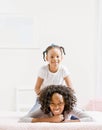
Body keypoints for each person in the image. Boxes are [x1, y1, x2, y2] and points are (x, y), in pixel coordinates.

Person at [29, 44, 74, 112]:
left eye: (57, 56)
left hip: (59, 99)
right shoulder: (43, 70)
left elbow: (71, 88)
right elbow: (37, 88)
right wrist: (47, 99)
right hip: (44, 99)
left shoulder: (63, 70)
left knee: (74, 113)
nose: (55, 59)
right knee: (33, 114)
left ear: (61, 58)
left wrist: (64, 100)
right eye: (52, 57)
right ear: (47, 58)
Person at [19, 85, 94, 123]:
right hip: (47, 116)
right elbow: (22, 119)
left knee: (78, 113)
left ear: (65, 102)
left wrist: (67, 122)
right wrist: (50, 120)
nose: (56, 107)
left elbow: (90, 119)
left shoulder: (69, 108)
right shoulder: (44, 109)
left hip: (69, 117)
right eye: (52, 104)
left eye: (60, 103)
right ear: (48, 103)